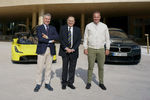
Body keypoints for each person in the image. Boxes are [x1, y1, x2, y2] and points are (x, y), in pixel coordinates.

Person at [83, 11, 110, 90]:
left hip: (101, 49)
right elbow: (85, 38)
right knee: (90, 66)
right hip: (91, 48)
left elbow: (107, 38)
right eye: (95, 17)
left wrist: (107, 48)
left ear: (100, 17)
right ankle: (89, 82)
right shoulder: (88, 26)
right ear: (93, 17)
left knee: (101, 67)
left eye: (97, 17)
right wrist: (85, 48)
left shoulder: (104, 26)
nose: (96, 18)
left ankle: (101, 82)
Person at [34, 13, 59, 92]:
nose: (47, 20)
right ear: (43, 19)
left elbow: (57, 37)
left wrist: (47, 37)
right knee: (40, 68)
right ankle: (38, 83)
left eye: (49, 19)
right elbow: (40, 38)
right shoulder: (39, 28)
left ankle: (47, 83)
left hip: (50, 50)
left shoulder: (53, 28)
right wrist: (51, 40)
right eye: (46, 19)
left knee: (48, 68)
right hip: (42, 50)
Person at [59, 16, 81, 90]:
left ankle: (70, 83)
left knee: (72, 68)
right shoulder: (62, 28)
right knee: (65, 68)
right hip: (64, 51)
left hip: (74, 52)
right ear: (67, 21)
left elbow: (78, 40)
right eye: (69, 20)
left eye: (72, 21)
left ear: (74, 22)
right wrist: (66, 48)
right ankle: (64, 83)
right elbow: (60, 39)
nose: (70, 22)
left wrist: (73, 49)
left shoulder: (77, 29)